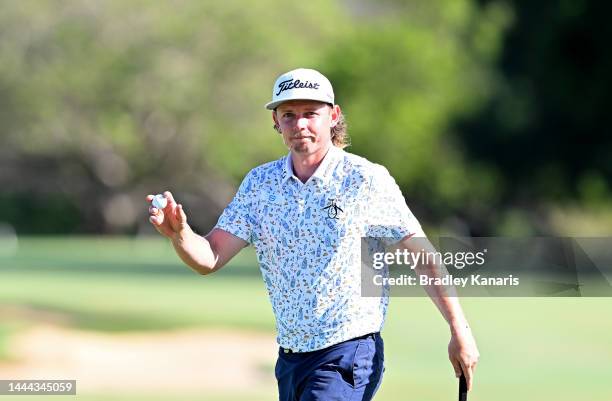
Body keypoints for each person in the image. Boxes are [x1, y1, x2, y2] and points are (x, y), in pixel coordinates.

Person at [147, 68, 479, 400]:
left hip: (348, 352)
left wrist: (458, 330)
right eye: (289, 115)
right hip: (291, 359)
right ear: (276, 122)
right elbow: (211, 256)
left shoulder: (364, 180)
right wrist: (180, 234)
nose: (300, 125)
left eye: (310, 114)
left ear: (333, 116)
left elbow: (422, 257)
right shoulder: (260, 185)